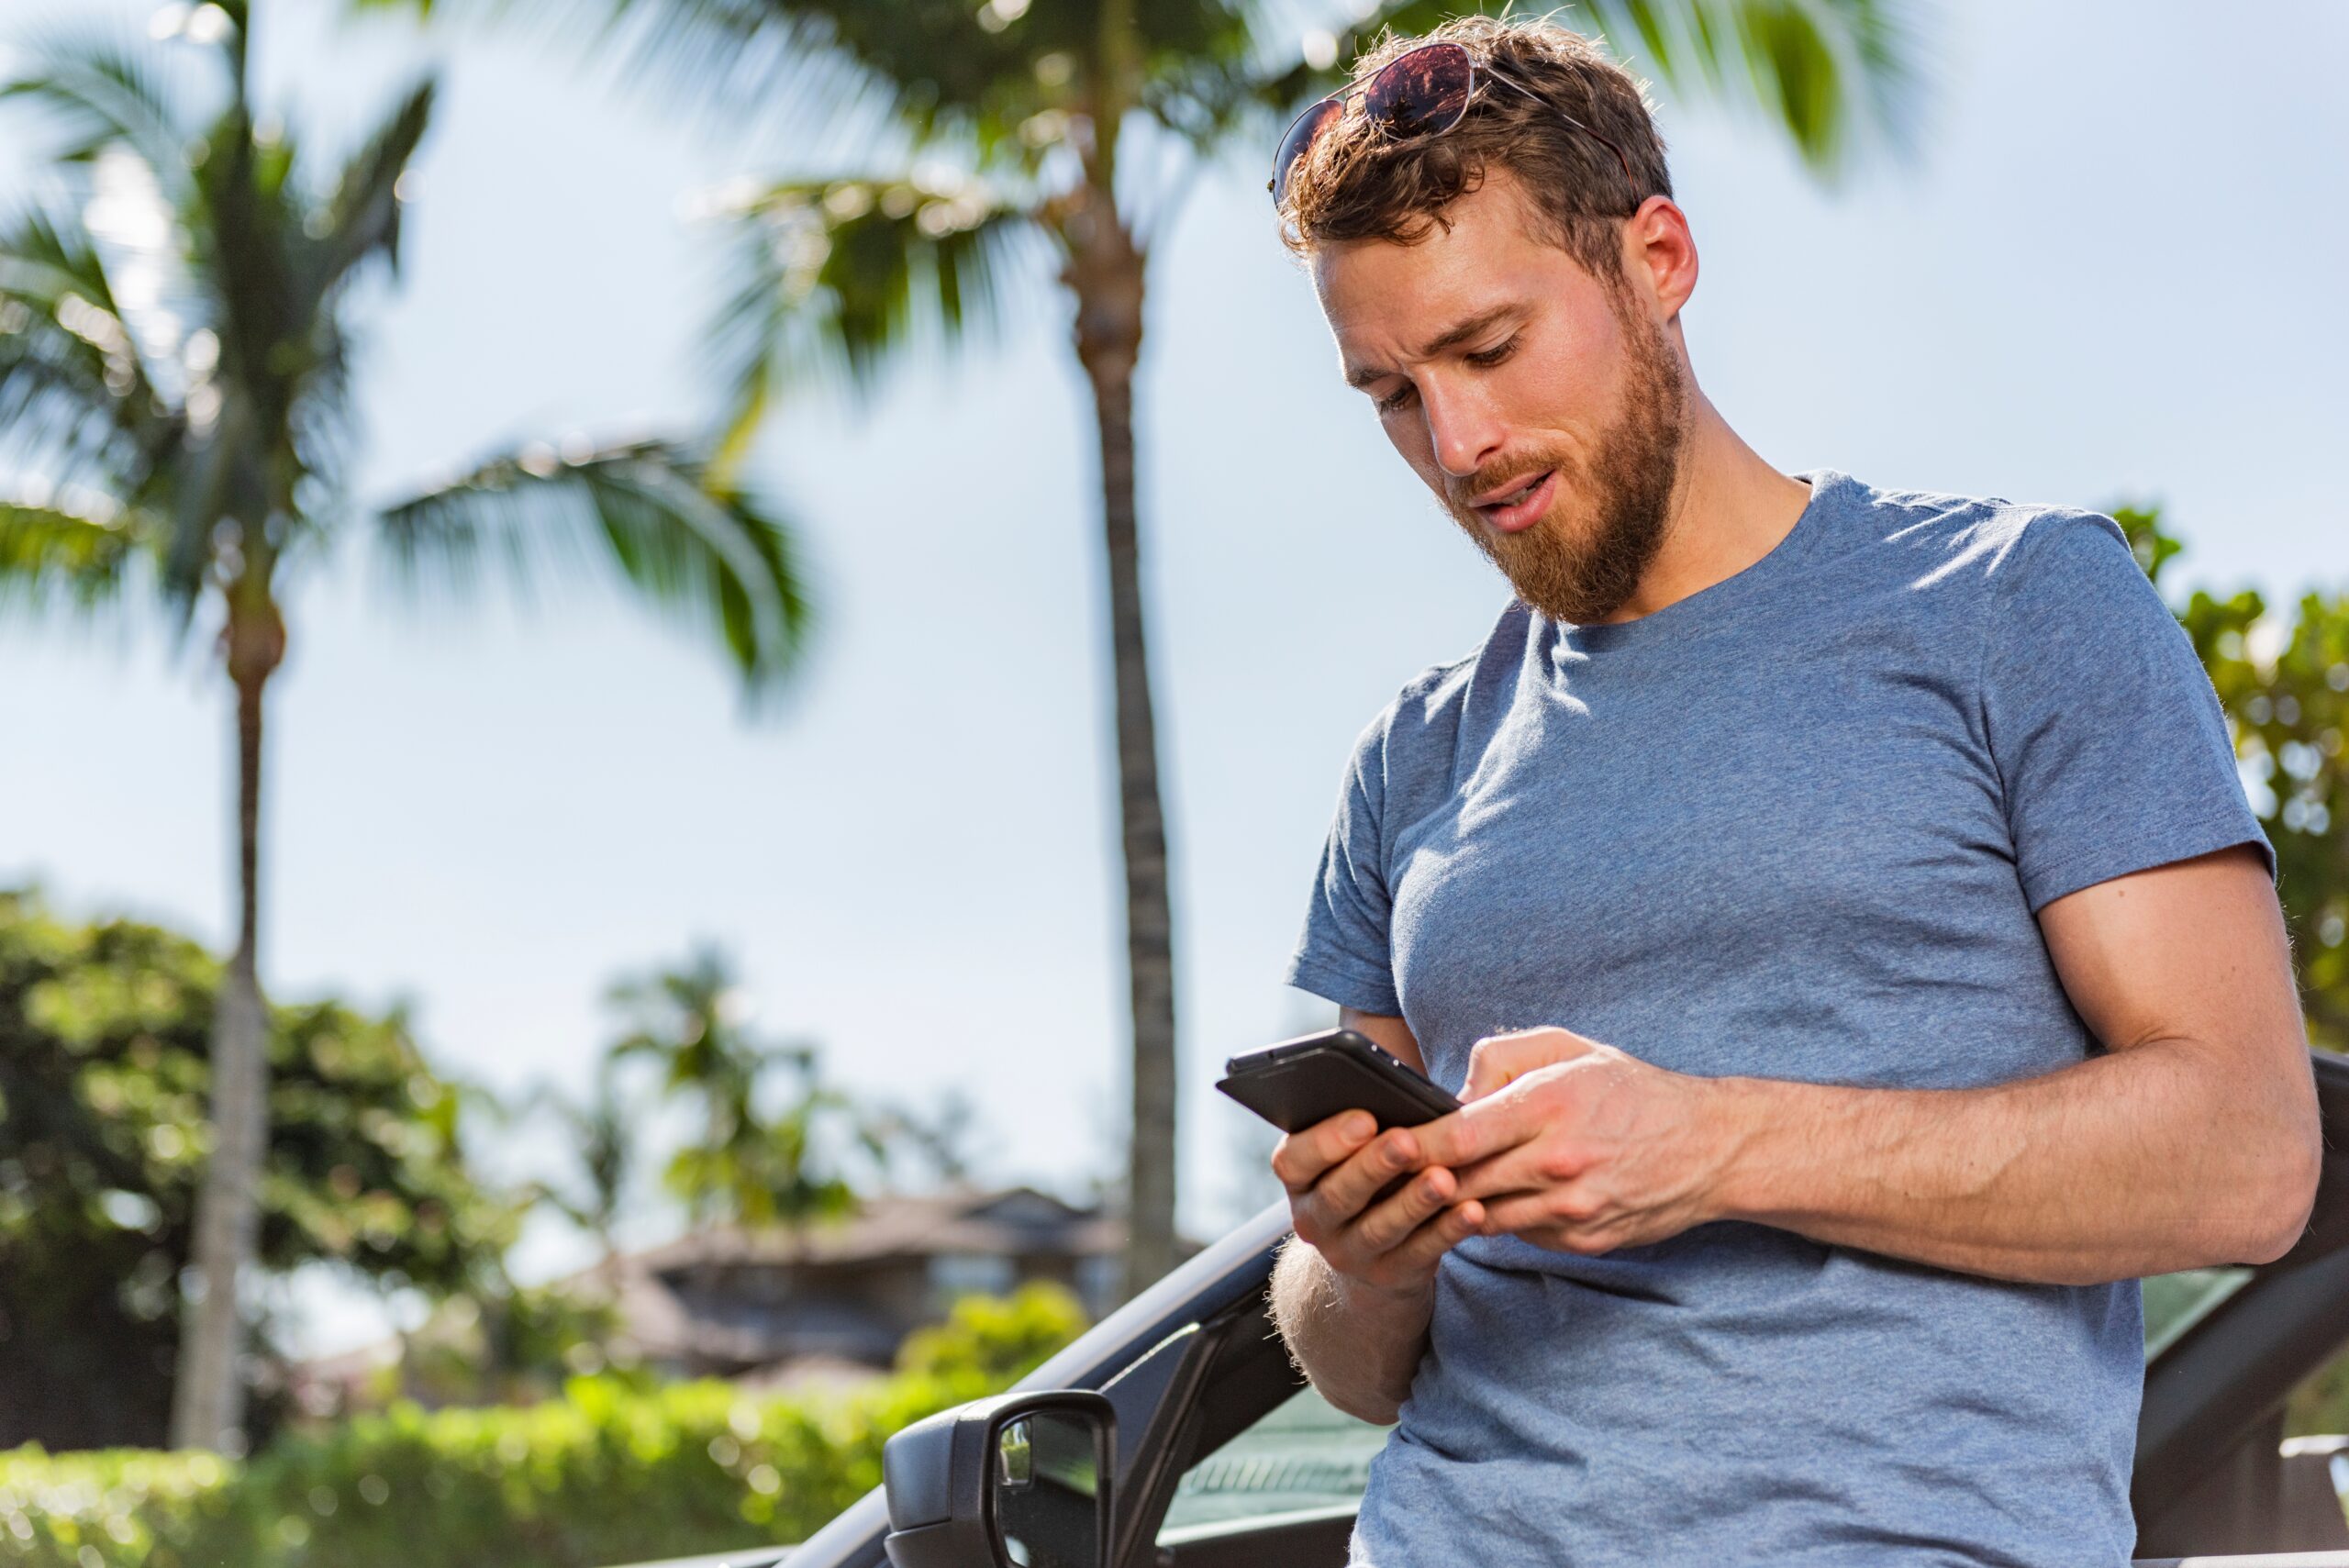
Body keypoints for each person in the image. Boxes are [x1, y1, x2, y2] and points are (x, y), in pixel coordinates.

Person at [1262, 16, 2321, 1568]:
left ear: (1661, 259)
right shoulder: (1414, 754)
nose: (1459, 441)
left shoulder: (2013, 604)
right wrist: (1362, 1254)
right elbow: (1353, 1358)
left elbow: (2248, 1154)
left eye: (1489, 348)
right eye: (1393, 394)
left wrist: (1711, 1145)